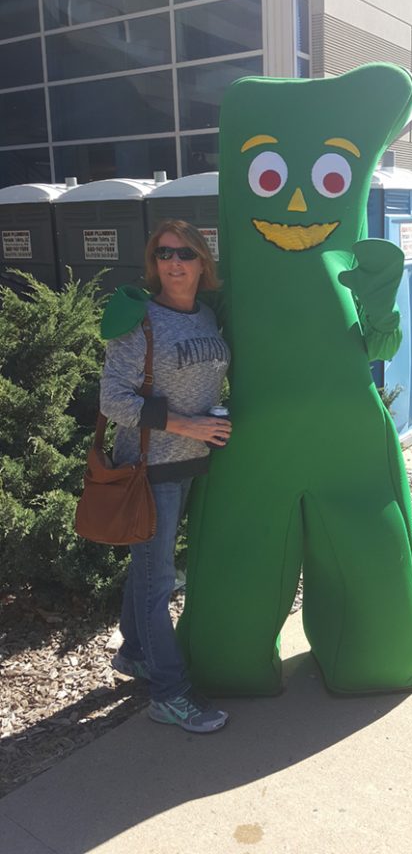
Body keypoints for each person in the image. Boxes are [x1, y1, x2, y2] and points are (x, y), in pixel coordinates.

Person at [99, 220, 232, 732]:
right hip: (150, 470)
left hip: (193, 463)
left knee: (149, 570)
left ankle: (134, 653)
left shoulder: (206, 316)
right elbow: (113, 400)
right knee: (157, 583)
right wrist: (187, 423)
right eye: (164, 254)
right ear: (154, 265)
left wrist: (211, 421)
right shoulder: (141, 321)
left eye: (185, 253)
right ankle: (168, 694)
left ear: (203, 262)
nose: (174, 262)